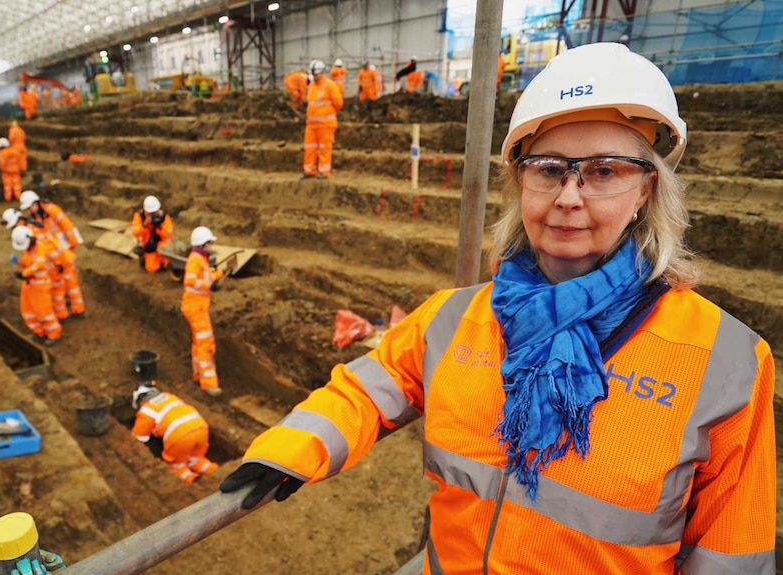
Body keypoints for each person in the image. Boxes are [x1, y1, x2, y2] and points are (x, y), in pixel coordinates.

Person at [219, 42, 776, 574]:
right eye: (549, 168)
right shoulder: (452, 318)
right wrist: (295, 445)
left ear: (646, 191)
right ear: (519, 182)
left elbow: (732, 554)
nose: (569, 197)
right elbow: (374, 383)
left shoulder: (726, 363)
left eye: (604, 171)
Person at [131, 382, 219, 484]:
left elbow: (137, 439)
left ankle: (193, 480)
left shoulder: (146, 410)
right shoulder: (170, 397)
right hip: (201, 428)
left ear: (140, 400)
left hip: (179, 437)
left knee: (177, 466)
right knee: (196, 459)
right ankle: (214, 471)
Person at [20, 190, 86, 318]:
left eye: (30, 207)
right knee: (60, 282)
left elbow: (67, 226)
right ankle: (63, 311)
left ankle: (78, 310)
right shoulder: (37, 217)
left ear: (36, 203)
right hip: (54, 252)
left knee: (70, 282)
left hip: (65, 249)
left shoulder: (52, 210)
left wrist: (73, 244)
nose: (29, 211)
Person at [1, 208, 70, 322]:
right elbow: (31, 260)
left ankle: (61, 317)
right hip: (47, 266)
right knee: (51, 295)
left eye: (14, 226)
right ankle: (59, 316)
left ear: (19, 221)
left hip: (51, 266)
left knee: (56, 293)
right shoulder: (27, 233)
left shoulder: (32, 233)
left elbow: (44, 253)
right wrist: (19, 263)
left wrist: (57, 263)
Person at [181, 226, 227, 396]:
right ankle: (209, 384)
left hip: (196, 306)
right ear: (203, 244)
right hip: (196, 308)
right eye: (210, 243)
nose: (212, 246)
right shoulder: (195, 260)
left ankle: (198, 373)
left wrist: (221, 273)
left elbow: (206, 276)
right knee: (206, 344)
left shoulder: (200, 259)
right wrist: (210, 286)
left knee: (197, 342)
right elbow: (190, 280)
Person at [10, 225, 62, 347]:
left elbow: (39, 263)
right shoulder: (28, 248)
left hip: (40, 285)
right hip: (29, 284)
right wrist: (18, 262)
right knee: (27, 311)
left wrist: (25, 273)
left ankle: (53, 334)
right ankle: (39, 332)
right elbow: (28, 263)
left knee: (43, 312)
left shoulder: (40, 246)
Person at [301, 59, 343, 179]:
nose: (314, 77)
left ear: (321, 72)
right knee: (309, 148)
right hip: (311, 125)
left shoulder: (330, 86)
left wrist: (327, 113)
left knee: (325, 149)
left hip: (326, 124)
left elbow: (338, 103)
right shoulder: (312, 86)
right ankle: (309, 170)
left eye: (315, 74)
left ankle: (324, 171)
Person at [131, 195, 173, 273]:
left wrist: (159, 226)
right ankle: (144, 257)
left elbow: (168, 234)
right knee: (152, 268)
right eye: (150, 213)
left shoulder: (164, 217)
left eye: (155, 212)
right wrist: (144, 225)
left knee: (168, 264)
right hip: (148, 245)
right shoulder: (139, 216)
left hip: (162, 244)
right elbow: (135, 233)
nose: (153, 214)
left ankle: (163, 262)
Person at [0, 137, 22, 201]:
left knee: (7, 186)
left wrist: (2, 170)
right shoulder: (15, 151)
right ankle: (18, 197)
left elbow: (2, 163)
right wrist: (20, 169)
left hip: (7, 172)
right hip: (16, 171)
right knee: (17, 186)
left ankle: (8, 198)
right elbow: (20, 160)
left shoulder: (1, 153)